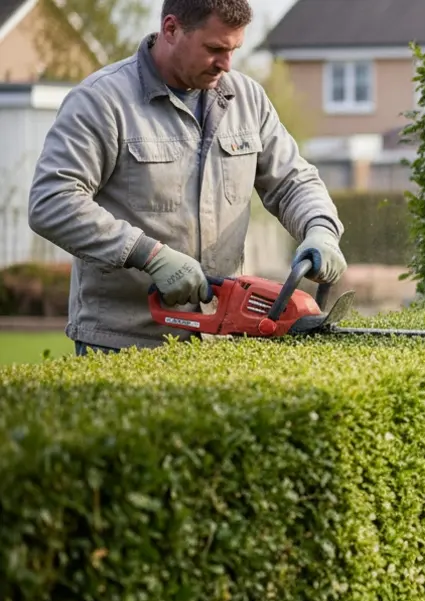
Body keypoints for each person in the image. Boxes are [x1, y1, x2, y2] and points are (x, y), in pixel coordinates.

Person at [28, 0, 346, 356]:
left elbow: (293, 181)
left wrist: (320, 228)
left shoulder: (247, 99)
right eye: (214, 49)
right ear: (170, 29)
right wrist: (148, 255)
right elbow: (52, 202)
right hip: (124, 341)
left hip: (221, 340)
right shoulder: (102, 102)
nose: (226, 64)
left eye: (234, 50)